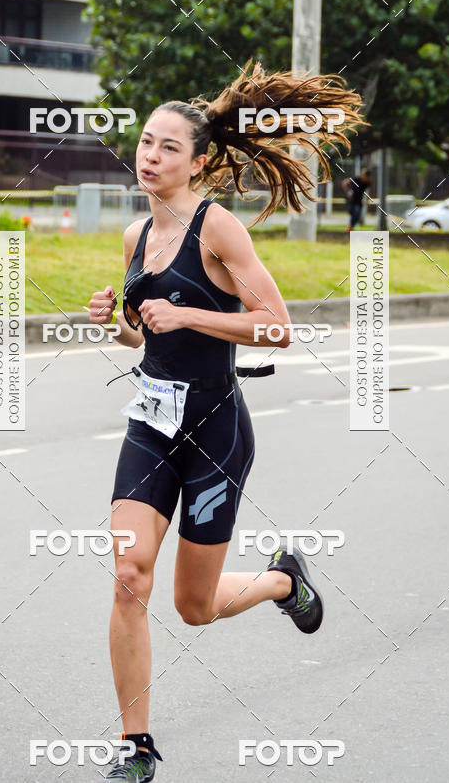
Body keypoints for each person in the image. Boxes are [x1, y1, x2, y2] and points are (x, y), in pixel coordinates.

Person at [88, 62, 363, 781]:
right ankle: (136, 747)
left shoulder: (218, 229)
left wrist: (190, 316)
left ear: (199, 162)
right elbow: (143, 337)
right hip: (150, 426)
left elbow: (277, 327)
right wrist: (113, 323)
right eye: (145, 143)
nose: (151, 156)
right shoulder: (134, 236)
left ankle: (282, 581)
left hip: (215, 432)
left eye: (169, 147)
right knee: (128, 577)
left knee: (194, 606)